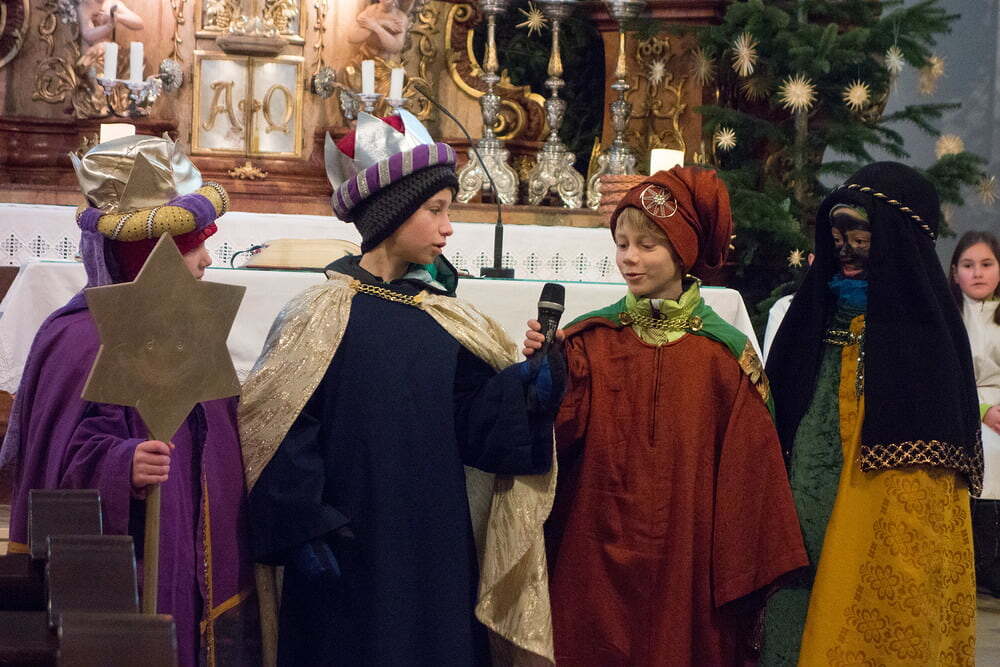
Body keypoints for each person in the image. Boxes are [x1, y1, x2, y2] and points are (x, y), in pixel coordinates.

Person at [240, 110, 561, 666]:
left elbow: (478, 426)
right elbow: (284, 428)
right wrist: (303, 527)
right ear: (390, 215)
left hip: (433, 546)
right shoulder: (318, 313)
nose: (448, 227)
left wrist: (529, 389)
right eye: (435, 210)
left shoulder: (445, 317)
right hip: (348, 545)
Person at [525, 167, 807, 666]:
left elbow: (750, 475)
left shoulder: (724, 356)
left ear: (682, 251)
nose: (629, 258)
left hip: (688, 553)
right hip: (595, 544)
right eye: (621, 244)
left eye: (647, 245)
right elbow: (555, 436)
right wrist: (545, 371)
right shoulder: (590, 341)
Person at [0, 135, 260, 667]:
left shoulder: (188, 330)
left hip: (188, 547)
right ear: (148, 258)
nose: (207, 260)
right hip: (127, 564)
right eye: (192, 248)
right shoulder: (79, 339)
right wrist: (123, 463)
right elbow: (58, 468)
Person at [762, 162, 982, 665]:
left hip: (881, 507)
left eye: (860, 237)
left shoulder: (926, 334)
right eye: (837, 237)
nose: (845, 250)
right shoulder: (810, 316)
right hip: (805, 487)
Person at [950, 231, 1000, 593]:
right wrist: (983, 409)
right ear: (954, 273)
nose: (978, 273)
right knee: (986, 450)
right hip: (964, 406)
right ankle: (978, 562)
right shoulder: (948, 317)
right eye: (968, 265)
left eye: (986, 264)